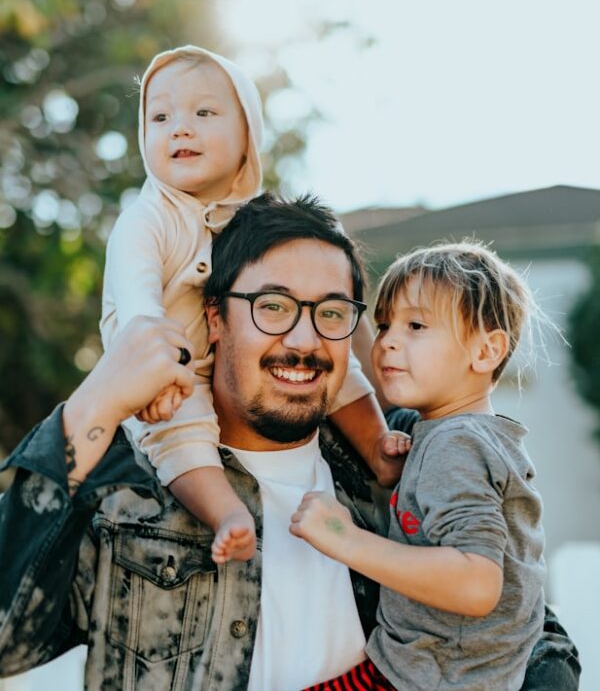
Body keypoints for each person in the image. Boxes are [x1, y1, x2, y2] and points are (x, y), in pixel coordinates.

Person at [0, 195, 579, 690]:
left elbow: (529, 629)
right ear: (215, 318)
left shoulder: (399, 455)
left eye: (331, 312)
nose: (303, 340)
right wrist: (92, 405)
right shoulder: (125, 482)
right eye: (272, 307)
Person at [100, 45, 404, 565]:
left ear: (248, 137)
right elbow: (138, 307)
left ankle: (377, 447)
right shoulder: (147, 219)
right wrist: (155, 375)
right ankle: (226, 513)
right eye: (161, 117)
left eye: (203, 112)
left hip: (217, 362)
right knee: (180, 433)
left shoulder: (254, 222)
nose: (180, 129)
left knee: (335, 361)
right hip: (164, 371)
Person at [291, 240, 560, 690]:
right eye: (383, 325)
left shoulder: (455, 445)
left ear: (486, 351)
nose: (388, 341)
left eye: (416, 325)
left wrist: (344, 538)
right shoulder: (464, 436)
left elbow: (476, 583)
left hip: (428, 677)